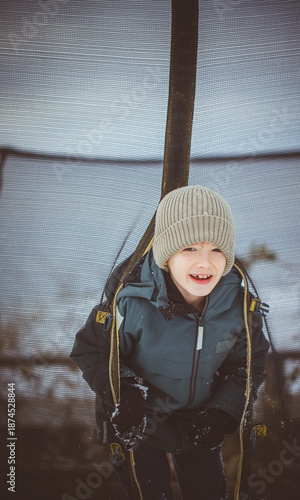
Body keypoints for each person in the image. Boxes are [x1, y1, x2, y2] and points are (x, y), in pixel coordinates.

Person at [70, 185, 269, 500]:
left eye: (216, 249)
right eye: (189, 248)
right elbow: (91, 348)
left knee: (207, 491)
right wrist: (128, 393)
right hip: (140, 420)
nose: (205, 262)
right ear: (165, 253)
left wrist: (223, 411)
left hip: (200, 419)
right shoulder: (130, 300)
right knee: (149, 491)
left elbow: (248, 363)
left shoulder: (238, 307)